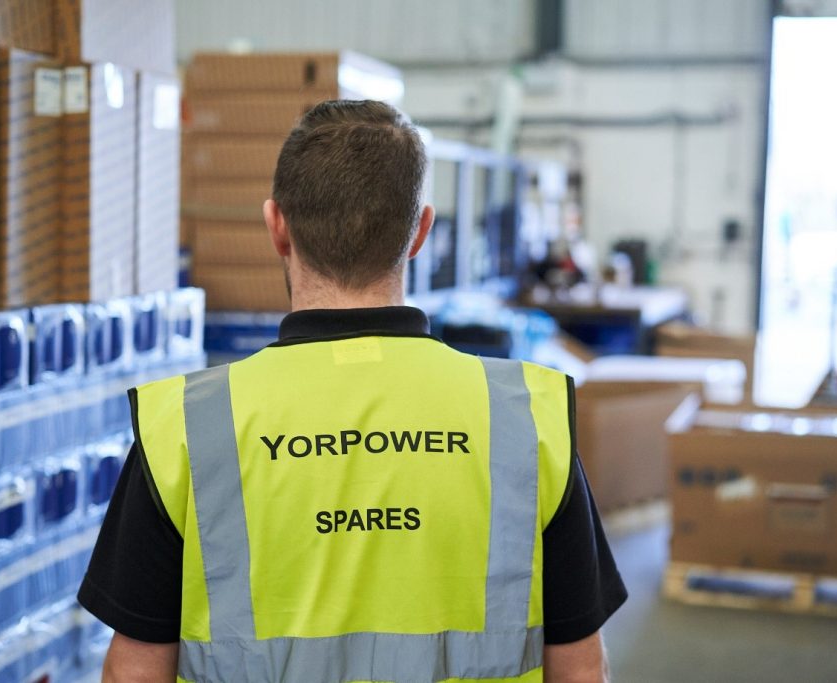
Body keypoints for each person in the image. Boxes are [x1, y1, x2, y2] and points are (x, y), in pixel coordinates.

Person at [78, 100, 627, 683]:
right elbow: (580, 670)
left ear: (277, 226)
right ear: (420, 232)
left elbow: (134, 673)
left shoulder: (189, 427)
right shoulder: (525, 419)